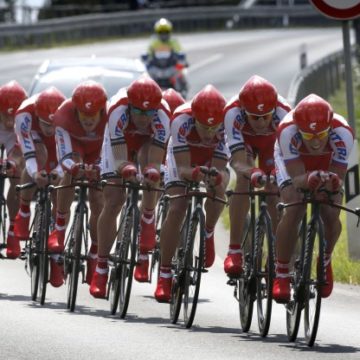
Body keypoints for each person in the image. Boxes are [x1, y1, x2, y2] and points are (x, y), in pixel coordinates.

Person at [90, 76, 171, 298]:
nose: (144, 117)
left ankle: (147, 218)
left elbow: (155, 160)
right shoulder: (117, 109)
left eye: (149, 113)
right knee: (114, 198)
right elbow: (118, 159)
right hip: (120, 141)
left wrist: (151, 172)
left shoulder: (163, 115)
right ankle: (101, 268)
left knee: (152, 175)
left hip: (146, 142)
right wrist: (125, 168)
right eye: (139, 112)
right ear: (130, 105)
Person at [273, 94, 354, 303]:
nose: (316, 142)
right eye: (308, 136)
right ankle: (282, 271)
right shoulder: (287, 131)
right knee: (294, 206)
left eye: (321, 135)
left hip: (327, 162)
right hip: (295, 162)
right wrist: (308, 179)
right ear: (300, 131)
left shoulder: (343, 133)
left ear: (330, 128)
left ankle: (324, 259)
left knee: (331, 210)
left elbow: (338, 176)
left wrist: (332, 183)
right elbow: (297, 178)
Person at [154, 84, 230, 303]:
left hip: (211, 155)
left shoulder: (224, 124)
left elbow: (222, 170)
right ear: (194, 117)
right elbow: (183, 167)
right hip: (184, 157)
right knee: (177, 207)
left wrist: (216, 178)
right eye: (203, 126)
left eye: (213, 127)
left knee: (218, 189)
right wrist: (194, 173)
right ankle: (165, 275)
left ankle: (208, 232)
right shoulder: (180, 120)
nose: (208, 132)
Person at [223, 75, 291, 276]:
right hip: (245, 143)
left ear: (273, 111)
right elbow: (237, 162)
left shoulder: (284, 112)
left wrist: (275, 178)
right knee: (244, 183)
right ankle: (234, 250)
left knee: (273, 190)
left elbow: (287, 159)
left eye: (265, 116)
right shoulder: (232, 112)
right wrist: (251, 171)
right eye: (254, 117)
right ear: (244, 112)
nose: (261, 122)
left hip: (272, 144)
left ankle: (277, 255)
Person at [48, 80, 107, 287]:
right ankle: (60, 229)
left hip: (98, 150)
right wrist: (73, 167)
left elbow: (112, 150)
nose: (88, 120)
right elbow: (64, 156)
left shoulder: (112, 115)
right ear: (75, 111)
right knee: (69, 176)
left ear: (102, 110)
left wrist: (100, 168)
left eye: (93, 116)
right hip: (75, 149)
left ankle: (94, 253)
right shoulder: (63, 115)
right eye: (83, 115)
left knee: (98, 196)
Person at [14, 87, 65, 285]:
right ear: (37, 115)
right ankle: (24, 210)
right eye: (46, 124)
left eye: (53, 124)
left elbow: (69, 156)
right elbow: (28, 155)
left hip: (58, 146)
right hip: (35, 143)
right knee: (38, 154)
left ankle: (55, 258)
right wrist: (36, 173)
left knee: (60, 189)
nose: (49, 128)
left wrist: (57, 173)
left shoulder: (66, 118)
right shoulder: (24, 114)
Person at [0, 81, 27, 259]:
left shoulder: (23, 120)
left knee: (17, 179)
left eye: (13, 116)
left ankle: (12, 229)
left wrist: (12, 163)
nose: (10, 121)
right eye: (5, 116)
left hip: (14, 143)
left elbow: (19, 150)